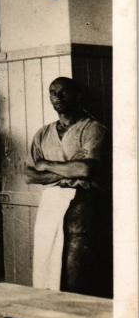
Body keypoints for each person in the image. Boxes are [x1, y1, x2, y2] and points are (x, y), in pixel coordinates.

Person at [24, 77, 108, 296]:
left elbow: (86, 170)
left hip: (83, 205)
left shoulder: (93, 129)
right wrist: (67, 169)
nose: (57, 97)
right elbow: (30, 174)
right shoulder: (43, 133)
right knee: (47, 269)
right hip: (50, 206)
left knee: (75, 273)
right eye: (53, 92)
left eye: (63, 92)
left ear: (77, 95)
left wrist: (47, 165)